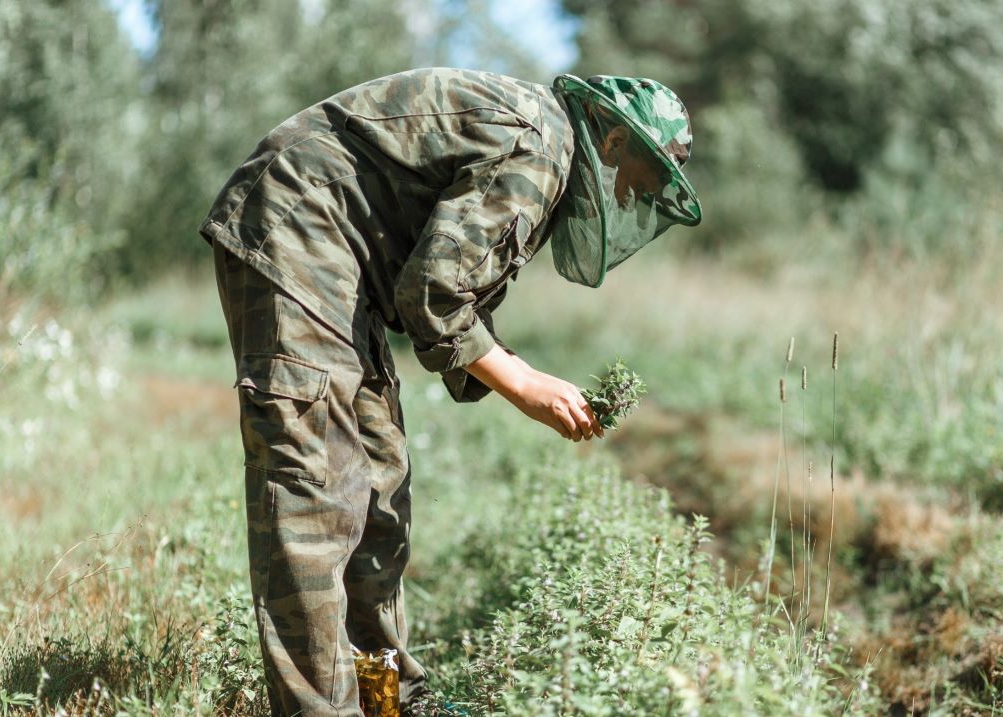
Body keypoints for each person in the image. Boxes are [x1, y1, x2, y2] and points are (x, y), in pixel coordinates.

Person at [198, 67, 701, 716]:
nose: (636, 195)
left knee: (378, 482)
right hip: (300, 226)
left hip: (344, 264)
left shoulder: (543, 143)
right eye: (644, 175)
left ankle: (388, 703)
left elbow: (448, 282)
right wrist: (525, 385)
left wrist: (515, 366)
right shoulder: (545, 145)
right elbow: (433, 292)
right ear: (611, 143)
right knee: (315, 492)